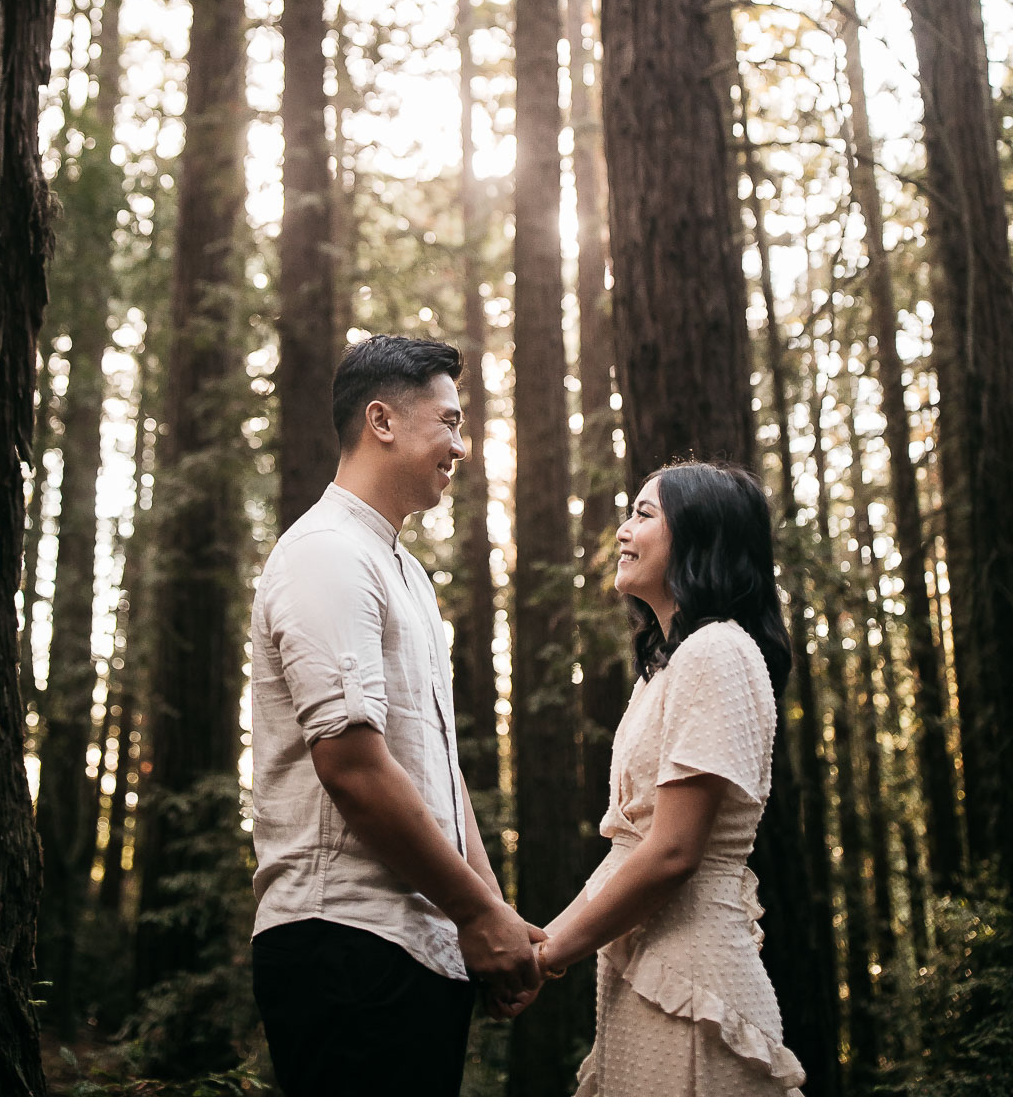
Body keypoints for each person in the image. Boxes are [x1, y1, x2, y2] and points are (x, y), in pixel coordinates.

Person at [250, 334, 544, 1097]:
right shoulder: (326, 553)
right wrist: (478, 915)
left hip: (420, 946)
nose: (461, 445)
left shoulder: (404, 571)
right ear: (381, 421)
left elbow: (437, 773)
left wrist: (490, 917)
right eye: (448, 422)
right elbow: (351, 767)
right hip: (342, 945)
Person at [520, 461, 806, 1095]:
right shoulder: (666, 669)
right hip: (646, 971)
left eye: (645, 514)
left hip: (693, 984)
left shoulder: (717, 652)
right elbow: (631, 848)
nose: (623, 530)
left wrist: (547, 957)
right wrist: (543, 945)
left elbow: (673, 852)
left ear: (701, 534)